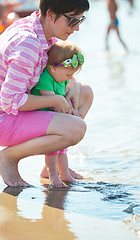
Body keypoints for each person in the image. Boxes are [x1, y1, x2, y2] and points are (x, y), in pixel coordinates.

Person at [0, 0, 93, 187]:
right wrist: (56, 100)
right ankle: (9, 157)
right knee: (76, 129)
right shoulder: (28, 43)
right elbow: (9, 101)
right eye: (72, 21)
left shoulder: (42, 31)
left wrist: (72, 86)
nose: (76, 28)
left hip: (14, 111)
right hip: (4, 117)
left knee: (84, 92)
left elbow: (57, 71)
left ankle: (52, 164)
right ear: (51, 15)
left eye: (80, 20)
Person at [31, 41, 86, 187]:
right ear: (54, 69)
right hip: (41, 119)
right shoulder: (45, 79)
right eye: (68, 74)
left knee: (63, 147)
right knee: (53, 149)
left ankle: (65, 174)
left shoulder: (61, 78)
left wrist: (72, 109)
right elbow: (54, 104)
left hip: (54, 118)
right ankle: (53, 175)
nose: (69, 78)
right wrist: (68, 113)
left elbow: (64, 100)